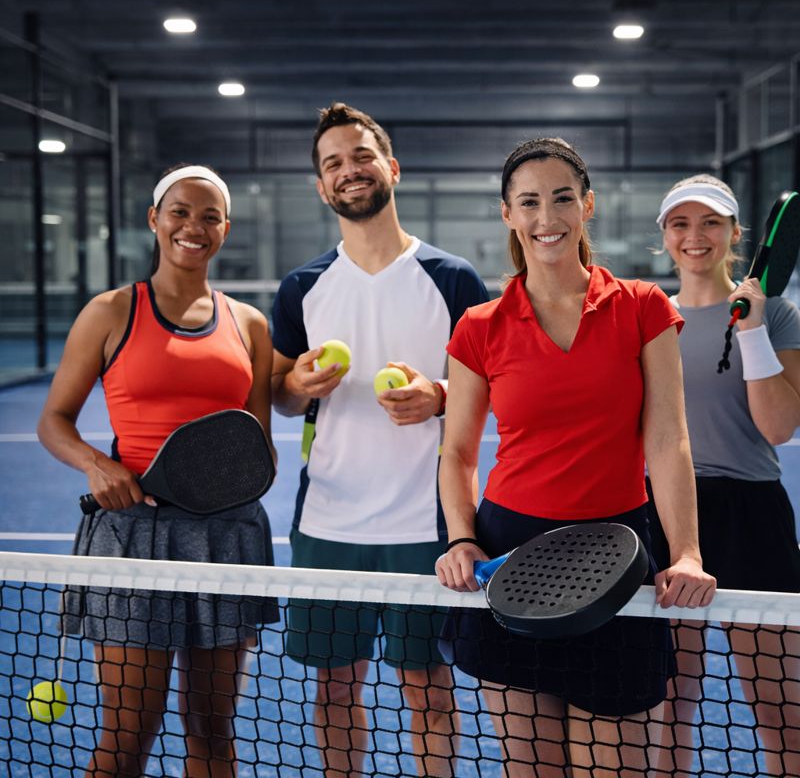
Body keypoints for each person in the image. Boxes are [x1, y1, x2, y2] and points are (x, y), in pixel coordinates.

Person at [435, 138, 716, 778]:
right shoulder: (479, 325)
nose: (547, 217)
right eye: (529, 202)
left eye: (563, 198)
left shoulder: (644, 307)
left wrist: (687, 553)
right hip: (512, 558)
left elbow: (669, 438)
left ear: (586, 205)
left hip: (618, 557)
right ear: (507, 214)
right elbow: (455, 453)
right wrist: (460, 538)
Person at [37, 164, 279, 778]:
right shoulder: (111, 312)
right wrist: (98, 464)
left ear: (224, 229)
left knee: (213, 731)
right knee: (127, 739)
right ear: (154, 219)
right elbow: (54, 422)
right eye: (179, 211)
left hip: (228, 539)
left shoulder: (250, 324)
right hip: (130, 538)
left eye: (208, 216)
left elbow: (259, 448)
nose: (192, 226)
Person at [270, 102, 488, 778]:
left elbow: (495, 391)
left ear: (390, 167)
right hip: (327, 523)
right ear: (321, 186)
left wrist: (441, 396)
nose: (349, 170)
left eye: (360, 156)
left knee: (426, 689)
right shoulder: (301, 287)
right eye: (332, 163)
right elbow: (279, 397)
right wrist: (298, 386)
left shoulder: (453, 280)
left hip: (427, 526)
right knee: (335, 687)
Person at [647, 175, 800, 777]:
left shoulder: (778, 314)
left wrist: (753, 330)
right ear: (664, 236)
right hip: (667, 511)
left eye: (710, 222)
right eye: (680, 224)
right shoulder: (647, 316)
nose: (694, 236)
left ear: (734, 234)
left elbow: (777, 428)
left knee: (777, 705)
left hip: (752, 516)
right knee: (669, 704)